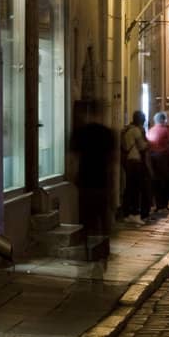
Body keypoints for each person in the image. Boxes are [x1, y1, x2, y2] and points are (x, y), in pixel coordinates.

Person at [70, 101, 116, 267]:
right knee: (102, 219)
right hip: (101, 181)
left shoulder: (80, 133)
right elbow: (112, 162)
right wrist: (112, 187)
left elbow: (73, 160)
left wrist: (74, 178)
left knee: (85, 219)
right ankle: (103, 255)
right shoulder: (107, 133)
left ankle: (87, 251)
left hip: (85, 181)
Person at [119, 110, 151, 223]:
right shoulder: (136, 131)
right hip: (135, 161)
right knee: (136, 189)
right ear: (140, 119)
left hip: (127, 161)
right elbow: (142, 147)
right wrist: (149, 143)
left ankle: (127, 213)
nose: (145, 120)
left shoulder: (126, 129)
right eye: (143, 118)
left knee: (129, 188)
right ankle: (135, 214)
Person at [147, 109, 169, 215]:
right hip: (163, 158)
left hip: (152, 158)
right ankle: (164, 205)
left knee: (156, 183)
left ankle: (158, 205)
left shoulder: (150, 130)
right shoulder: (166, 130)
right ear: (163, 120)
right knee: (166, 183)